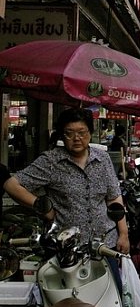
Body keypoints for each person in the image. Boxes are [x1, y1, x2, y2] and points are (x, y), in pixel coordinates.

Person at [3, 107, 130, 250]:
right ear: (62, 136)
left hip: (105, 243)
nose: (77, 138)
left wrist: (123, 234)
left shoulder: (103, 158)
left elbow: (114, 198)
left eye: (82, 132)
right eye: (69, 133)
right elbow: (11, 185)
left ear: (90, 133)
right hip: (67, 248)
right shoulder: (51, 161)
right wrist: (43, 207)